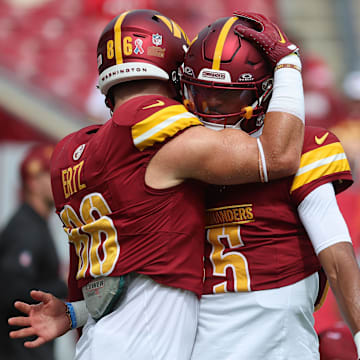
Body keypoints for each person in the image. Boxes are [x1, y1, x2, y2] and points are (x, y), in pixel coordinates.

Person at [7, 9, 305, 360]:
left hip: (102, 344)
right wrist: (287, 63)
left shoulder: (72, 150)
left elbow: (127, 280)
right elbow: (278, 156)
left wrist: (75, 312)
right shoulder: (146, 123)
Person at [180, 12, 360, 360]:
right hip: (239, 338)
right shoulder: (180, 152)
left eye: (228, 97)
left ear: (264, 94)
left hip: (261, 340)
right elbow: (338, 261)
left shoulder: (177, 153)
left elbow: (337, 256)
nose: (212, 108)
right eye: (203, 94)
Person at [0, 143, 68, 360]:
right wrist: (62, 285)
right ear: (32, 181)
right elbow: (12, 292)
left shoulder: (36, 224)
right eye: (50, 174)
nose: (57, 181)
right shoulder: (25, 229)